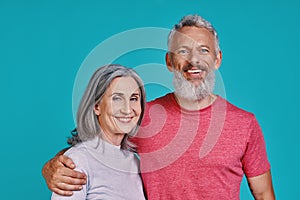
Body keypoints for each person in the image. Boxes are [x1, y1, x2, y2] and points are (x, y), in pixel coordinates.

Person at [43, 15, 275, 199]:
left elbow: (264, 194)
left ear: (217, 59)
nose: (193, 60)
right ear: (169, 62)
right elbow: (97, 150)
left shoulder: (245, 124)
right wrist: (53, 165)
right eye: (183, 51)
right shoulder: (141, 117)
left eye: (203, 50)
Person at [50, 64, 147, 200]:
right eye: (117, 98)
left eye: (134, 98)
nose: (127, 109)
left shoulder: (134, 162)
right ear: (97, 106)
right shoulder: (77, 161)